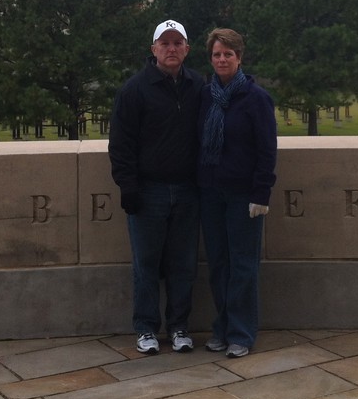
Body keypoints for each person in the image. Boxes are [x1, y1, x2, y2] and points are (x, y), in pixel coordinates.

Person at [108, 19, 204, 354]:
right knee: (146, 265)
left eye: (177, 43)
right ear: (154, 49)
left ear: (187, 49)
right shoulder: (134, 90)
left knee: (183, 265)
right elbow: (121, 145)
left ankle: (179, 326)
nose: (171, 49)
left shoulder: (198, 86)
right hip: (148, 192)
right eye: (165, 43)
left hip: (188, 191)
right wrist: (128, 186)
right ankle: (146, 328)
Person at [197, 28, 277, 358]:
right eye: (216, 54)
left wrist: (261, 194)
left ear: (239, 58)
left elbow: (266, 150)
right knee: (219, 264)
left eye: (228, 54)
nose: (222, 59)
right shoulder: (206, 96)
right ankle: (222, 328)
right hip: (210, 194)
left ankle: (241, 333)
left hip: (244, 196)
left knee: (243, 265)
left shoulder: (256, 99)